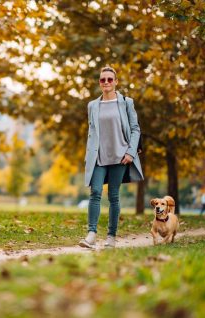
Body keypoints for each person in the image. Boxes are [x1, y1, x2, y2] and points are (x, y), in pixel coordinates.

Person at [79, 66, 144, 249]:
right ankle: (91, 234)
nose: (106, 82)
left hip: (120, 156)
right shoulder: (92, 105)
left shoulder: (126, 102)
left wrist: (131, 152)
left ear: (116, 82)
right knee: (95, 192)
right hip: (99, 157)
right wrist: (89, 156)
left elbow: (135, 128)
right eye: (102, 80)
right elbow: (92, 132)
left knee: (114, 196)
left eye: (109, 79)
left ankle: (111, 237)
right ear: (100, 83)